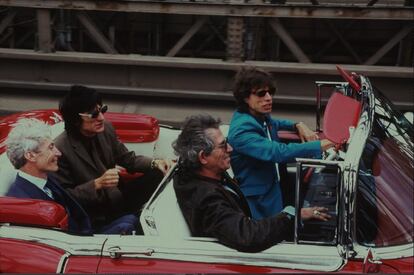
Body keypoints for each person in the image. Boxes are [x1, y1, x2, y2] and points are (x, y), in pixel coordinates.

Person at [173, 114, 330, 253]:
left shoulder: (204, 172)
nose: (230, 148)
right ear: (203, 157)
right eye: (223, 146)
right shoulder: (208, 201)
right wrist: (292, 215)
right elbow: (248, 237)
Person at [51, 85, 172, 232]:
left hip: (118, 198)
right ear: (75, 120)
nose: (101, 118)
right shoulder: (60, 149)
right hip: (95, 214)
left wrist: (156, 163)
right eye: (94, 114)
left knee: (161, 173)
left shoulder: (106, 129)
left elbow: (128, 159)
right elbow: (64, 197)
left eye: (102, 110)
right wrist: (96, 184)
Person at [228, 67, 335, 220]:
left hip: (275, 188)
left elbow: (276, 123)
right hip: (260, 201)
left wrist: (297, 124)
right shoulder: (242, 130)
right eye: (261, 93)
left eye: (270, 92)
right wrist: (322, 144)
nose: (268, 98)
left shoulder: (259, 117)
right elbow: (278, 152)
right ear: (245, 97)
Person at [5, 118, 138, 235]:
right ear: (30, 156)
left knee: (132, 219)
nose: (58, 153)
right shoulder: (22, 202)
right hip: (76, 249)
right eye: (51, 148)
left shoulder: (48, 178)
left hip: (85, 231)